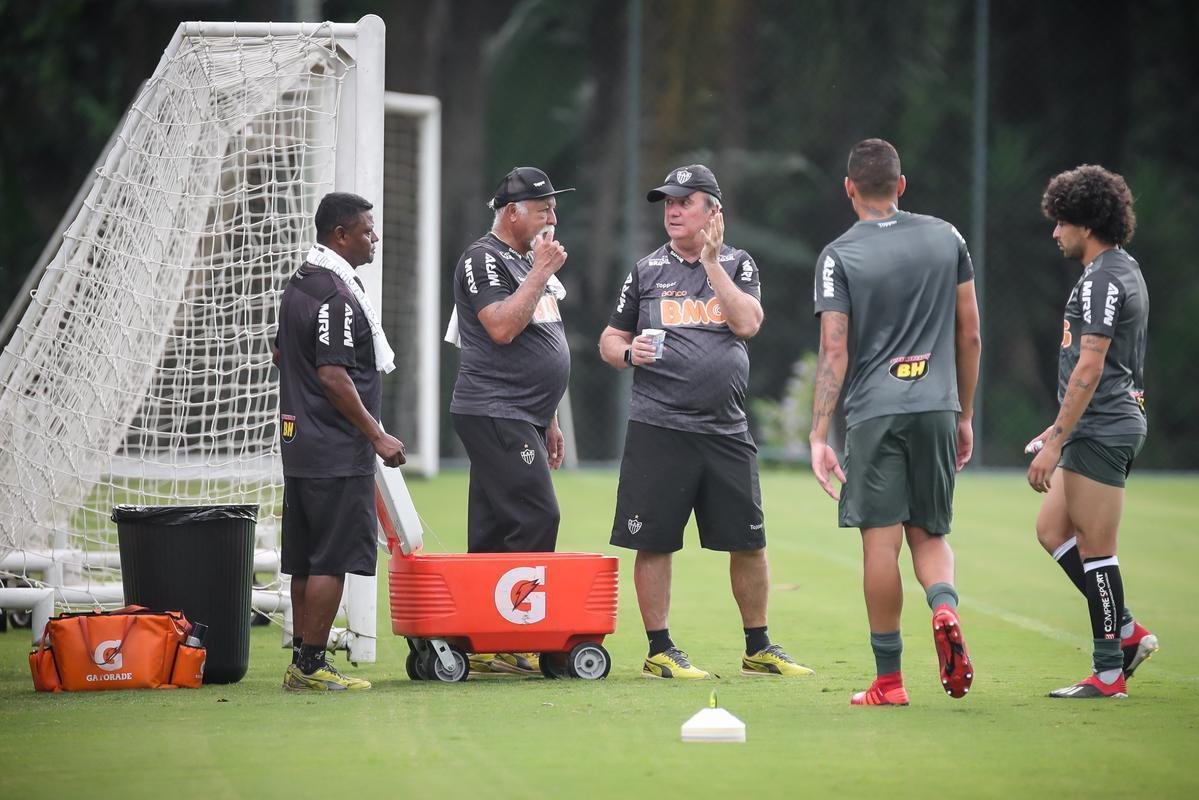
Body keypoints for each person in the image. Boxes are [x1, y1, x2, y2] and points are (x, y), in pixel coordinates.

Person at [599, 164, 812, 680]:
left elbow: (747, 323)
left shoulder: (738, 264)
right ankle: (659, 649)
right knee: (654, 542)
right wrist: (631, 354)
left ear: (713, 211)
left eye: (684, 202)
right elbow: (609, 339)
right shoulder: (647, 270)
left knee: (749, 541)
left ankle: (758, 647)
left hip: (725, 429)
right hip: (659, 426)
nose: (671, 210)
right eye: (667, 202)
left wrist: (713, 263)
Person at [809, 139, 981, 706]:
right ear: (901, 186)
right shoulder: (948, 237)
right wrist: (964, 413)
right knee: (930, 534)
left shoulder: (838, 255)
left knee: (879, 547)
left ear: (849, 189)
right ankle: (946, 608)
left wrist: (817, 434)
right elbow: (970, 334)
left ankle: (889, 681)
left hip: (875, 411)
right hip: (937, 405)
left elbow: (835, 351)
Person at [1028, 164, 1157, 699]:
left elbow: (1092, 364)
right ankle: (1127, 630)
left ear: (1085, 222)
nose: (1055, 232)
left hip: (1103, 429)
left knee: (1097, 549)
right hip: (1095, 423)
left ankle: (1109, 672)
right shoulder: (1116, 269)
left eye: (1061, 222)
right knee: (1052, 530)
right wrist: (1057, 427)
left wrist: (1057, 440)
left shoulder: (1104, 277)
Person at [274, 191, 406, 691]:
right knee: (330, 559)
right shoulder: (335, 295)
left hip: (299, 443)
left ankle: (301, 663)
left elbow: (281, 354)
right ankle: (310, 666)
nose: (374, 239)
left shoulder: (300, 285)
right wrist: (376, 434)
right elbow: (332, 375)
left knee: (307, 558)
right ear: (340, 236)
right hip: (334, 448)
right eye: (367, 231)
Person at [448, 167, 572, 676]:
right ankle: (509, 634)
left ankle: (481, 639)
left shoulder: (526, 259)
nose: (552, 218)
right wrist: (540, 270)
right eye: (542, 209)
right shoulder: (484, 258)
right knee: (537, 515)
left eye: (553, 208)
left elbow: (545, 337)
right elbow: (500, 327)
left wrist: (551, 416)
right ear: (511, 212)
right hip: (495, 407)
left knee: (496, 525)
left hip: (522, 412)